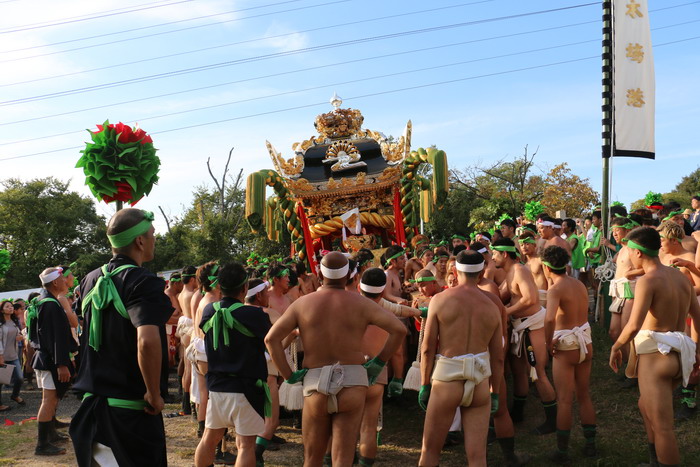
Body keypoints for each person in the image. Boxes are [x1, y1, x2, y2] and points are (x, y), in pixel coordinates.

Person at [265, 252, 406, 467]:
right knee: (343, 459)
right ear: (349, 274)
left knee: (312, 459)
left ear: (320, 273)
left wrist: (289, 375)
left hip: (315, 381)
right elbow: (399, 329)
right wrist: (378, 363)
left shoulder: (303, 304)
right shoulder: (361, 303)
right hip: (353, 380)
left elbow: (271, 339)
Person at [69, 209, 174, 466]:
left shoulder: (89, 280)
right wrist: (153, 393)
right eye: (152, 234)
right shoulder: (142, 281)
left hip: (92, 409)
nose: (154, 239)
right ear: (139, 240)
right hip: (129, 415)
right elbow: (147, 341)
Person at [610, 227, 700, 467]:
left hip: (656, 357)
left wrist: (616, 347)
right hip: (680, 354)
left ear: (638, 253)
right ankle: (654, 460)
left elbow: (632, 326)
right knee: (644, 404)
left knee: (664, 428)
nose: (626, 254)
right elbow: (698, 319)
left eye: (629, 250)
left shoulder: (648, 281)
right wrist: (697, 352)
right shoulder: (681, 277)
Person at [418, 250, 504, 467]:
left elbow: (427, 348)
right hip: (479, 380)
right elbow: (498, 356)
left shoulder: (440, 299)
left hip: (447, 379)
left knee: (429, 452)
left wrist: (424, 384)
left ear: (455, 271)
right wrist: (496, 392)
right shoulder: (493, 304)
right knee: (477, 458)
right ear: (482, 271)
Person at [194, 263, 273, 467]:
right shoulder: (255, 315)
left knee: (209, 438)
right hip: (246, 387)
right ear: (245, 288)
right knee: (246, 445)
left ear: (219, 286)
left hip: (218, 386)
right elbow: (270, 341)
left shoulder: (210, 310)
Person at [491, 238, 557, 434]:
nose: (492, 257)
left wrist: (505, 312)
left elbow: (530, 299)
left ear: (504, 254)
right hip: (521, 328)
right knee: (519, 371)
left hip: (532, 326)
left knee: (538, 374)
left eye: (494, 253)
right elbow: (501, 294)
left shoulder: (519, 271)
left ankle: (552, 421)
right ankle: (518, 413)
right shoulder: (510, 272)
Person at [542, 246, 597, 462]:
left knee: (564, 400)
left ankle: (562, 452)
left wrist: (548, 343)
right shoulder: (579, 284)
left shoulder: (556, 290)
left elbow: (548, 319)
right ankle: (591, 445)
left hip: (566, 344)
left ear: (547, 267)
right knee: (583, 395)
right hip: (585, 341)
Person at [29, 267, 77, 456]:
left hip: (45, 359)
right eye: (63, 279)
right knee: (48, 401)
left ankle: (50, 435)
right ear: (55, 282)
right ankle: (42, 444)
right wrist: (62, 364)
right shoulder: (49, 304)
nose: (66, 281)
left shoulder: (44, 301)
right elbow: (55, 338)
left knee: (50, 399)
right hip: (49, 361)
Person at [177, 265, 198, 416]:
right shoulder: (192, 294)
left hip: (184, 328)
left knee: (186, 368)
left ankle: (186, 404)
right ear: (192, 279)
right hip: (190, 329)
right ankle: (191, 404)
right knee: (191, 370)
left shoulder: (181, 294)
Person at [0, 299, 24, 409]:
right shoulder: (1, 324)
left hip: (14, 354)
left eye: (11, 306)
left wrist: (19, 337)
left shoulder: (14, 321)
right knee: (1, 381)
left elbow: (17, 334)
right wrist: (0, 355)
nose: (10, 308)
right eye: (7, 306)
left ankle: (15, 395)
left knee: (19, 378)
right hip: (2, 356)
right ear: (2, 310)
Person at [519, 230, 547, 306]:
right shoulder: (524, 265)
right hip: (531, 297)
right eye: (521, 245)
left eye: (527, 244)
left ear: (534, 245)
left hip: (543, 296)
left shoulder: (540, 260)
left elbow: (550, 279)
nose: (524, 247)